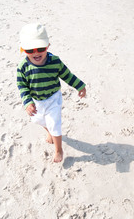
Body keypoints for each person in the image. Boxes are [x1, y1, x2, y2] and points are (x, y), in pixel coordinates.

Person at [16, 23, 86, 163]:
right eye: (30, 50)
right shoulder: (23, 67)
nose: (36, 53)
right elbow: (22, 86)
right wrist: (27, 102)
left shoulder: (54, 61)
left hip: (53, 98)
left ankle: (59, 149)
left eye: (40, 48)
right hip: (36, 101)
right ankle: (48, 131)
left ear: (48, 46)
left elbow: (67, 75)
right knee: (38, 120)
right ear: (23, 49)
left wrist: (80, 86)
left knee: (54, 123)